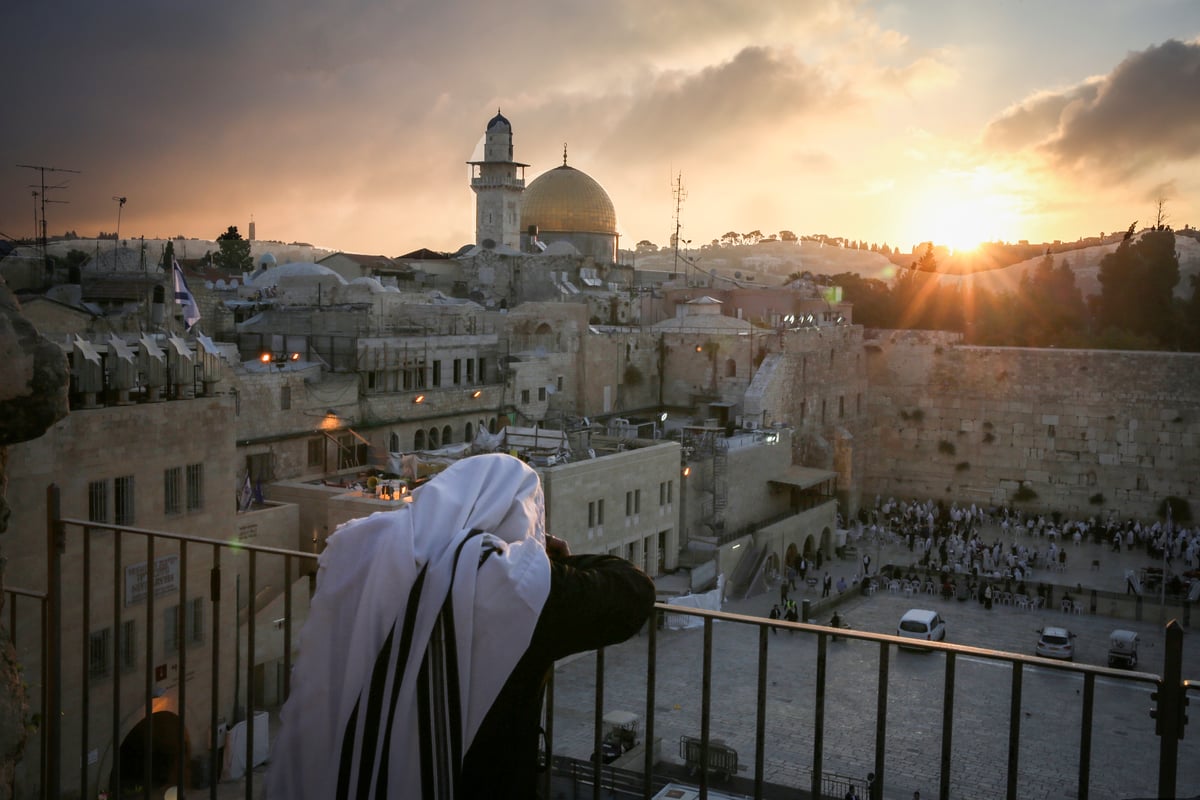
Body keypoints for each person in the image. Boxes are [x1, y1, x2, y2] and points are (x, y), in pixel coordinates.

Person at [266, 454, 656, 800]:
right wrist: (549, 563)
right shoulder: (517, 584)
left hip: (345, 759)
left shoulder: (369, 548)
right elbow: (634, 592)